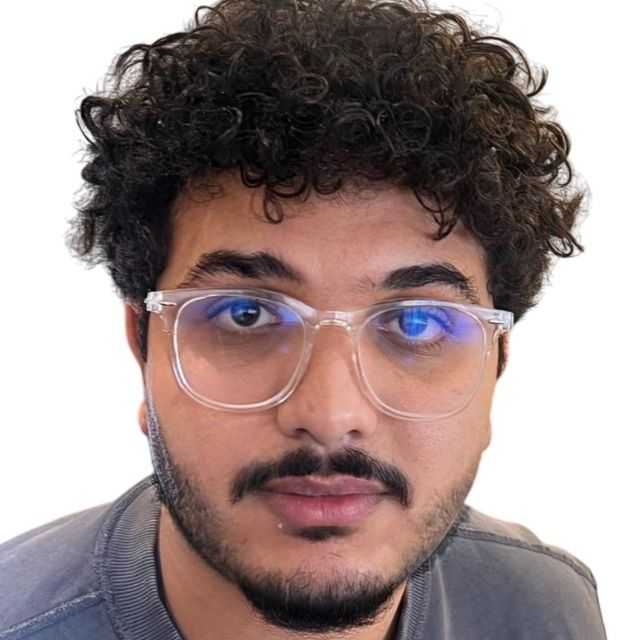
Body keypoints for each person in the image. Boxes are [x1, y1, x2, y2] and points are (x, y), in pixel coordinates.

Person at [0, 0, 608, 638]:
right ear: (143, 348)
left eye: (417, 323)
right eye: (246, 314)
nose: (330, 415)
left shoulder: (546, 610)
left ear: (497, 365)